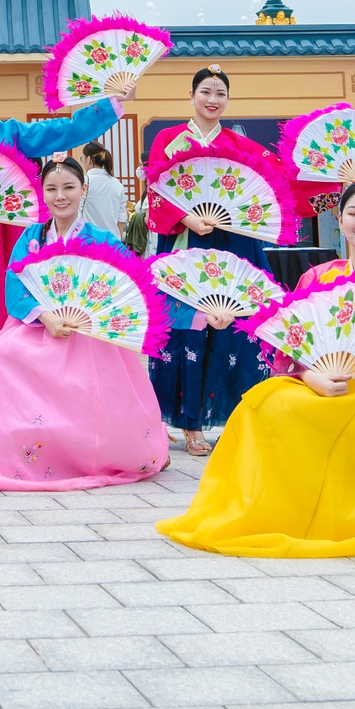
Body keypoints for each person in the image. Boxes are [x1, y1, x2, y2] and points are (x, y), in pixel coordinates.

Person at [158, 181, 355, 558]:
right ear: (340, 219)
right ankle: (269, 501)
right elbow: (289, 352)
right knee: (263, 402)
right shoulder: (317, 278)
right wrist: (313, 377)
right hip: (321, 384)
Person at [0, 58, 135, 426]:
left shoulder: (13, 133)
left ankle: (6, 396)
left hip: (3, 233)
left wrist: (110, 103)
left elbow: (64, 131)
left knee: (6, 306)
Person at [0, 155, 167, 491]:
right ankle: (24, 449)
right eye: (52, 188)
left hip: (88, 334)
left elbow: (122, 291)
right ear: (42, 193)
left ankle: (89, 452)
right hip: (37, 326)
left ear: (83, 189)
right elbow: (14, 283)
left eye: (69, 188)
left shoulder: (101, 240)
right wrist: (45, 315)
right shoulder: (32, 236)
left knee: (89, 383)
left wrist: (82, 318)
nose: (61, 196)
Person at [142, 66, 276, 454]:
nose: (213, 99)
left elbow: (268, 189)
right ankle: (189, 424)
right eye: (206, 91)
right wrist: (185, 217)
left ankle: (233, 417)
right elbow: (155, 188)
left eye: (220, 93)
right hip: (186, 244)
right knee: (187, 331)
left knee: (233, 329)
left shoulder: (242, 146)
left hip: (234, 245)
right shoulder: (168, 140)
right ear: (191, 94)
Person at [78, 143, 129, 240]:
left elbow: (77, 212)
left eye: (82, 158)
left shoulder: (84, 182)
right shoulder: (118, 185)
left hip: (89, 239)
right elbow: (121, 218)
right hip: (111, 241)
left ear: (88, 160)